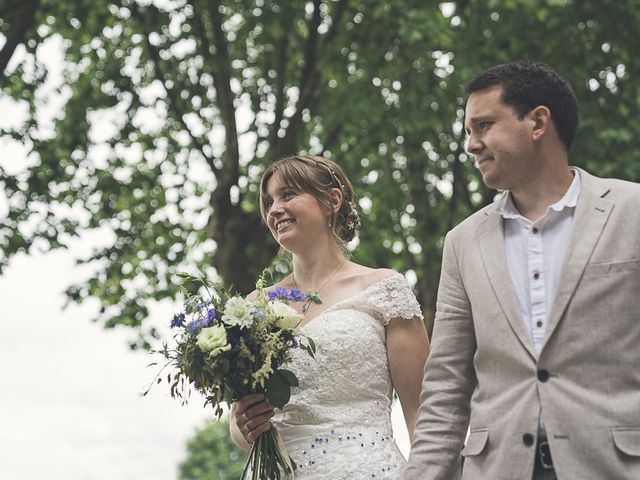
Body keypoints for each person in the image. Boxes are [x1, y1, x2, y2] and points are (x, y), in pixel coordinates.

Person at [404, 60, 640, 480]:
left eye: (484, 126)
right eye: (468, 132)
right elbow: (446, 386)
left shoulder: (632, 211)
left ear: (537, 122)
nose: (471, 145)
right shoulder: (462, 242)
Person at [229, 154, 430, 478]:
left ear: (332, 201)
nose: (274, 209)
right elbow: (239, 429)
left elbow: (422, 413)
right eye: (269, 201)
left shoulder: (384, 289)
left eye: (288, 194)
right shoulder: (254, 307)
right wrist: (243, 424)